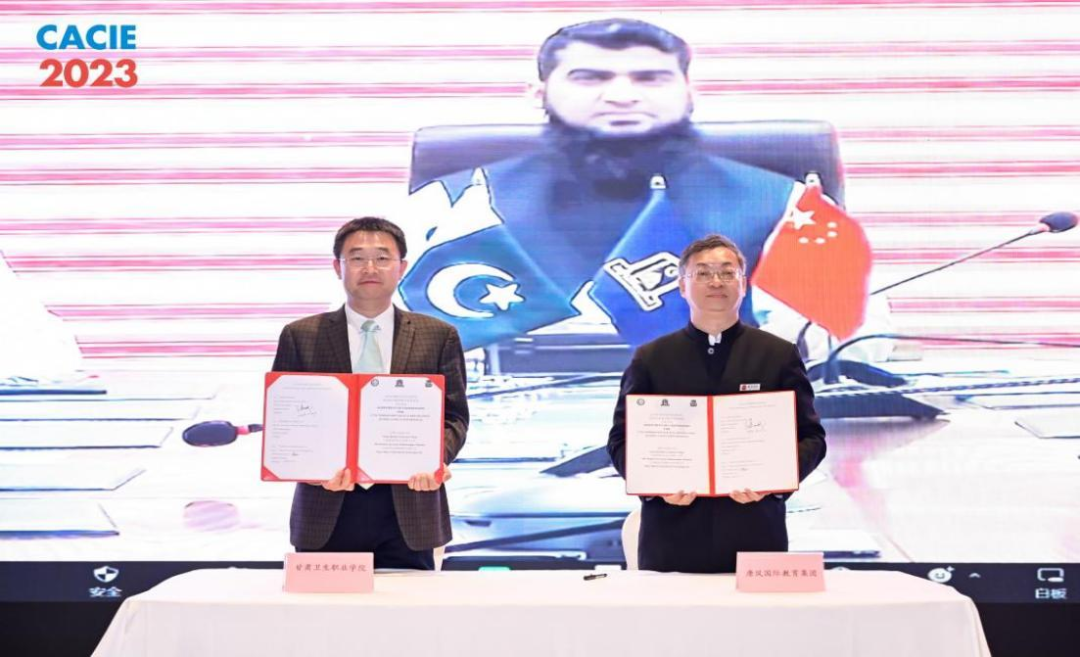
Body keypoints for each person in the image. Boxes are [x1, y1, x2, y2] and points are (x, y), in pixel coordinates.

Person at [398, 17, 883, 359]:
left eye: (650, 78)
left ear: (689, 94)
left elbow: (862, 345)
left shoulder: (784, 206)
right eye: (590, 77)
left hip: (729, 429)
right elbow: (382, 341)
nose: (622, 95)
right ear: (538, 95)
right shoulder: (456, 204)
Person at [606, 234, 826, 573]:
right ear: (682, 286)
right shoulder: (651, 358)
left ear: (743, 285)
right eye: (703, 273)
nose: (716, 282)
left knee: (756, 611)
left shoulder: (778, 355)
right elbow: (621, 441)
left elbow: (812, 438)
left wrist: (776, 481)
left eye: (727, 272)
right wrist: (655, 486)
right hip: (670, 538)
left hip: (755, 533)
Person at [271, 217, 469, 569]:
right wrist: (306, 464)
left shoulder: (438, 335)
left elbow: (454, 416)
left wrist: (433, 458)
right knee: (323, 606)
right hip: (326, 504)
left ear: (401, 267)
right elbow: (284, 418)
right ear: (338, 267)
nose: (370, 268)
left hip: (410, 507)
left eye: (382, 257)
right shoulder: (301, 335)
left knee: (411, 605)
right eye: (357, 258)